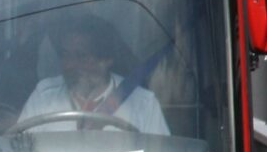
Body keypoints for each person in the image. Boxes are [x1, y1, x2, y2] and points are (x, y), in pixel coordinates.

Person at [16, 16, 169, 136]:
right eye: (65, 55)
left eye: (81, 56)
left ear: (106, 59)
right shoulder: (43, 97)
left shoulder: (143, 104)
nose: (69, 65)